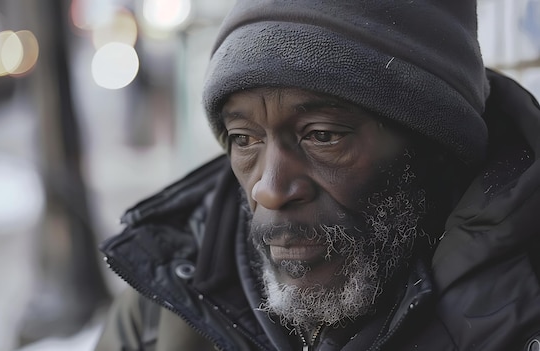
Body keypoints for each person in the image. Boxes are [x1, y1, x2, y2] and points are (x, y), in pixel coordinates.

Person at [96, 0, 540, 350]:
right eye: (244, 139)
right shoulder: (163, 307)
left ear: (435, 147)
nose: (269, 190)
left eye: (322, 135)